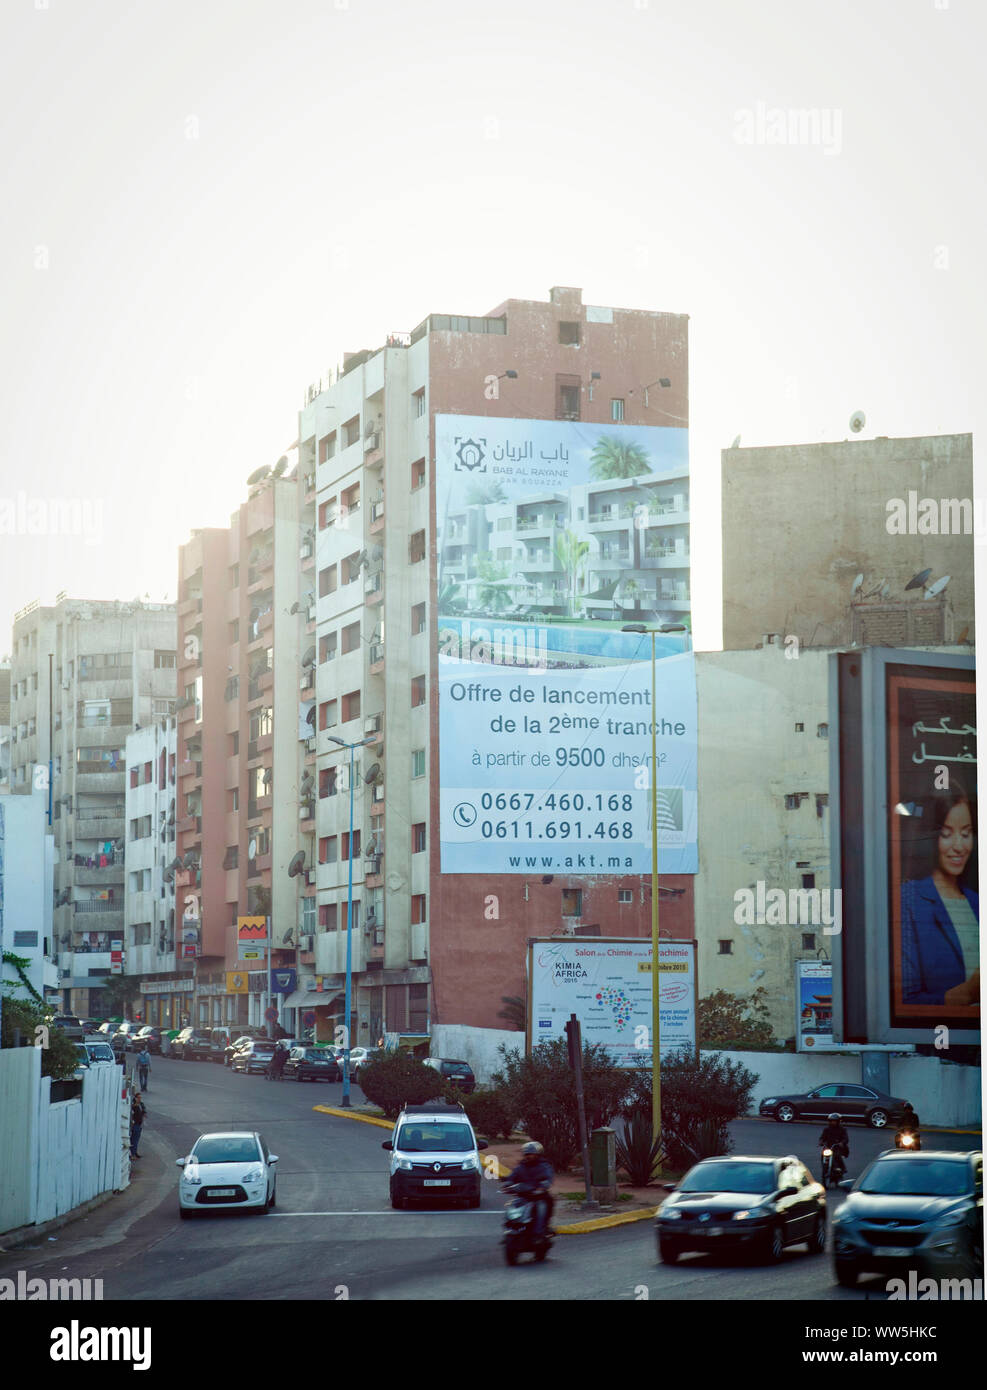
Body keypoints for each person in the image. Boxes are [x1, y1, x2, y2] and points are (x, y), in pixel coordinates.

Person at [901, 785, 979, 1007]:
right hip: (941, 1036)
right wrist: (966, 994)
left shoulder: (977, 902)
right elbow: (905, 1001)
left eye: (966, 834)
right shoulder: (909, 900)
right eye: (946, 834)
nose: (959, 846)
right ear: (930, 838)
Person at [503, 1140, 555, 1236]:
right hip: (523, 1196)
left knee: (544, 1206)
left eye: (531, 1154)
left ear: (538, 1155)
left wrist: (541, 1188)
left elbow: (548, 1179)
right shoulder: (520, 1167)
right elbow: (512, 1177)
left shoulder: (544, 1166)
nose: (529, 1156)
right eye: (527, 1154)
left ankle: (542, 1229)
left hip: (538, 1197)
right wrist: (508, 1184)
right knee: (512, 1206)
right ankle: (512, 1226)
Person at [818, 1113, 849, 1181]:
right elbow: (822, 1137)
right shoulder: (826, 1129)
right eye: (831, 1121)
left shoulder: (842, 1129)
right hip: (828, 1147)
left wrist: (842, 1143)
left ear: (838, 1121)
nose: (832, 1122)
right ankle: (825, 1167)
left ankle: (842, 1168)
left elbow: (845, 1138)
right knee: (823, 1155)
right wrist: (821, 1142)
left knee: (837, 1155)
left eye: (834, 1121)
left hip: (838, 1147)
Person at [130, 1092, 147, 1159]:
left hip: (139, 1124)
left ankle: (135, 1152)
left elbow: (143, 1110)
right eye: (138, 1098)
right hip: (135, 1124)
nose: (140, 1099)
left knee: (136, 1140)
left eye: (140, 1098)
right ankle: (132, 1154)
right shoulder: (134, 1106)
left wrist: (144, 1113)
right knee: (134, 1140)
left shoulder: (140, 1105)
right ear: (135, 1098)